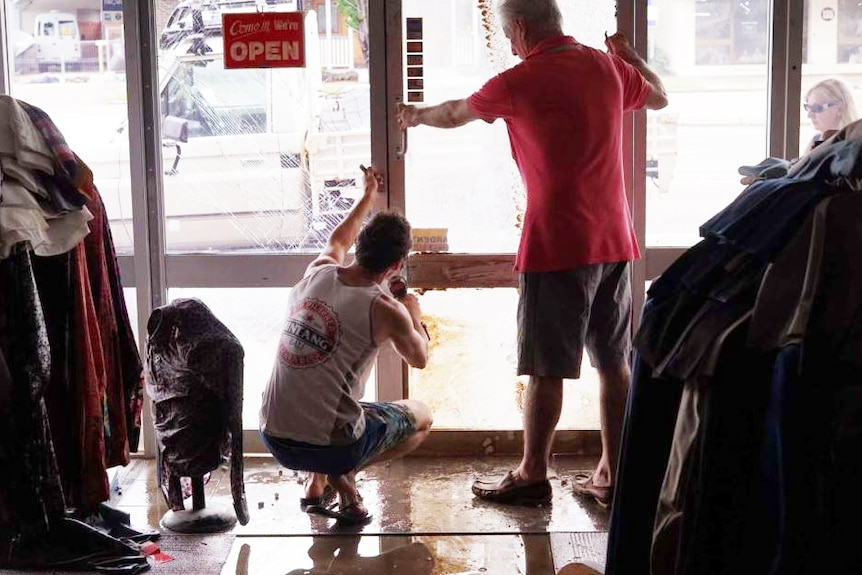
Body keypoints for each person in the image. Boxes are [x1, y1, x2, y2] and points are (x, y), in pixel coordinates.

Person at [397, 0, 667, 508]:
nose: (511, 43)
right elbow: (659, 97)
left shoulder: (521, 79)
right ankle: (613, 473)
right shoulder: (610, 68)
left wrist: (413, 115)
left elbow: (455, 113)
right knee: (614, 363)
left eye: (509, 34)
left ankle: (532, 473)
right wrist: (631, 56)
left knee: (546, 366)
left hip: (558, 242)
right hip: (615, 241)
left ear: (520, 29)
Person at [259, 165, 433, 523]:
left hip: (272, 434)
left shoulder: (319, 271)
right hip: (329, 446)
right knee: (422, 417)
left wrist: (367, 194)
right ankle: (345, 479)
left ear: (360, 245)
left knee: (333, 401)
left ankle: (316, 483)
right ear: (398, 264)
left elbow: (338, 240)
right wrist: (412, 311)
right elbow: (419, 358)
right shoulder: (385, 308)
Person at [803, 78, 858, 154]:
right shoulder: (815, 140)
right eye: (808, 108)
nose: (809, 115)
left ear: (840, 109)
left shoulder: (855, 145)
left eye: (817, 108)